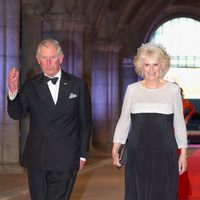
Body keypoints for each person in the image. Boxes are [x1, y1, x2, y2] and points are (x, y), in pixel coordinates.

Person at [7, 38, 92, 200]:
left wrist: (82, 154)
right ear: (38, 60)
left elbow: (85, 122)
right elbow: (17, 113)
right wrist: (12, 93)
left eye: (52, 57)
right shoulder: (30, 86)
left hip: (66, 157)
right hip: (38, 157)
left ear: (61, 58)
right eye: (44, 58)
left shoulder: (77, 85)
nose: (48, 62)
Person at [112, 43, 188, 200]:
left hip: (165, 153)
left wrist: (184, 154)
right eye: (147, 64)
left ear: (162, 66)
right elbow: (124, 119)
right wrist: (116, 147)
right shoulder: (132, 89)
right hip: (137, 154)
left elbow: (179, 123)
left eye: (155, 64)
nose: (151, 69)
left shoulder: (173, 90)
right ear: (141, 66)